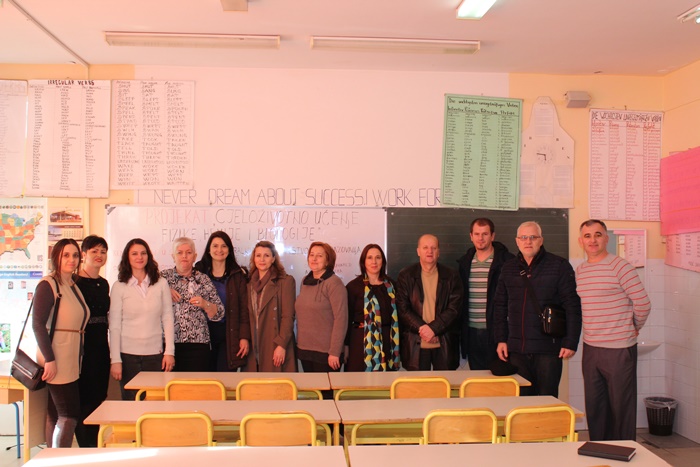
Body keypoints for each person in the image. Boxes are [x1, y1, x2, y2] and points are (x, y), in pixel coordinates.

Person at [577, 219, 651, 440]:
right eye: (588, 236)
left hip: (619, 349)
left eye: (598, 235)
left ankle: (625, 451)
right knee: (595, 407)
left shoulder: (621, 266)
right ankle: (600, 449)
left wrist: (634, 327)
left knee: (621, 408)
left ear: (606, 239)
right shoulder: (580, 271)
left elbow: (643, 303)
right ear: (581, 241)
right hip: (591, 349)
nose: (593, 240)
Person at [494, 221, 582, 397]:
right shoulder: (508, 268)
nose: (528, 241)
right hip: (517, 350)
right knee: (522, 402)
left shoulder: (559, 266)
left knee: (547, 401)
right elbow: (499, 306)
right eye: (523, 238)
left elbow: (572, 305)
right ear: (517, 241)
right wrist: (501, 339)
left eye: (533, 237)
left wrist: (570, 341)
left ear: (541, 240)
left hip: (548, 350)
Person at [32, 238, 89, 447]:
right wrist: (49, 359)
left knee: (55, 413)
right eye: (66, 255)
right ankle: (60, 457)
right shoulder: (48, 284)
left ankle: (52, 455)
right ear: (56, 257)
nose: (71, 260)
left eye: (75, 255)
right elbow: (37, 324)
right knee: (69, 414)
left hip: (70, 356)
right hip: (56, 356)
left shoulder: (72, 284)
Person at [109, 238, 175, 401]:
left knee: (154, 403)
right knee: (131, 403)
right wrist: (115, 359)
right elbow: (114, 326)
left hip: (155, 355)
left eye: (143, 253)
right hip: (127, 356)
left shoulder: (161, 283)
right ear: (127, 257)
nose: (139, 257)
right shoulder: (119, 286)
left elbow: (167, 318)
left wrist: (169, 352)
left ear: (148, 256)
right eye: (134, 254)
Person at [396, 234, 462, 371]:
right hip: (416, 345)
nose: (429, 251)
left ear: (439, 252)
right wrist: (425, 331)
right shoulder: (405, 275)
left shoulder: (452, 276)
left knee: (445, 384)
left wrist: (434, 329)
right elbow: (403, 309)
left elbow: (454, 309)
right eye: (425, 247)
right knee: (418, 385)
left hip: (444, 343)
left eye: (434, 248)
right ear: (418, 251)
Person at [456, 218, 514, 370]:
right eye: (477, 234)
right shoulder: (465, 263)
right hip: (471, 333)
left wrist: (504, 335)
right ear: (471, 236)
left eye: (485, 234)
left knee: (498, 379)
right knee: (477, 379)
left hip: (496, 333)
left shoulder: (507, 262)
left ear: (492, 236)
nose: (480, 238)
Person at [162, 237, 225, 371]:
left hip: (198, 345)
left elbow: (219, 313)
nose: (184, 256)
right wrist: (164, 291)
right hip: (168, 345)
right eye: (180, 253)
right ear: (173, 256)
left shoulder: (203, 279)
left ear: (195, 256)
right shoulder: (162, 278)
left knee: (196, 383)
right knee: (169, 384)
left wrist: (205, 304)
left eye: (189, 252)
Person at [195, 231, 250, 371]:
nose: (219, 250)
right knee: (205, 377)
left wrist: (244, 337)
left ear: (229, 250)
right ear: (209, 249)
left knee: (225, 377)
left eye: (224, 246)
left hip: (229, 334)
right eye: (215, 246)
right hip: (203, 334)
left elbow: (244, 309)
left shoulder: (238, 275)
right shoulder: (198, 273)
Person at [74, 235, 110, 447]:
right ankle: (86, 448)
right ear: (84, 254)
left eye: (103, 251)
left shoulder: (104, 284)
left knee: (98, 398)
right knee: (84, 400)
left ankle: (95, 445)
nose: (99, 255)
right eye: (94, 251)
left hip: (101, 348)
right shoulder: (74, 282)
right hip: (81, 349)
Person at [345, 244, 400, 372]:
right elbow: (347, 318)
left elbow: (399, 317)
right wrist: (345, 345)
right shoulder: (353, 287)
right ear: (363, 261)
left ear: (383, 261)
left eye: (378, 257)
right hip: (360, 342)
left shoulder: (392, 286)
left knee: (385, 381)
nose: (374, 262)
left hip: (387, 342)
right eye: (369, 258)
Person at [295, 241, 348, 374]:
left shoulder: (334, 283)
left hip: (327, 353)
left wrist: (335, 352)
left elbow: (341, 319)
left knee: (326, 388)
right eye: (311, 255)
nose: (314, 259)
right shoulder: (305, 281)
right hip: (305, 349)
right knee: (311, 387)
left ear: (327, 261)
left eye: (319, 256)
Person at [245, 241, 297, 372]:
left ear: (273, 259)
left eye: (266, 255)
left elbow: (288, 317)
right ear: (254, 258)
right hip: (254, 345)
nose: (262, 259)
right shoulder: (248, 283)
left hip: (274, 343)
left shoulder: (285, 281)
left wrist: (281, 345)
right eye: (258, 255)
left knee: (276, 383)